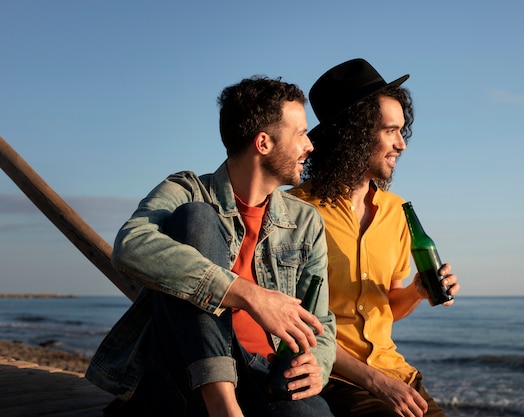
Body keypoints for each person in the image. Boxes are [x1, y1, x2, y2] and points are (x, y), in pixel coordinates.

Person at [86, 76, 336, 417]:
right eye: (300, 134)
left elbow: (319, 318)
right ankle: (222, 404)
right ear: (263, 142)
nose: (309, 145)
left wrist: (318, 363)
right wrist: (249, 295)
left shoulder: (306, 222)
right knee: (197, 219)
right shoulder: (186, 190)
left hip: (261, 373)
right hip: (180, 370)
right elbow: (131, 245)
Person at [288, 58, 461, 417]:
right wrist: (376, 382)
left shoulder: (398, 212)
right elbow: (292, 324)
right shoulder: (294, 211)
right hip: (336, 379)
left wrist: (416, 291)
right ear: (352, 134)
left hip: (398, 374)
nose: (402, 144)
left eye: (402, 130)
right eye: (390, 131)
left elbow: (385, 310)